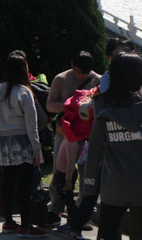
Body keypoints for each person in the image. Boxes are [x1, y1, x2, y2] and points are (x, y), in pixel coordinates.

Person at [82, 52, 142, 240]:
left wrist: (90, 185)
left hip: (116, 182)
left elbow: (96, 147)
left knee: (108, 229)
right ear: (140, 74)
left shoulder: (102, 104)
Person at [0, 51, 44, 237]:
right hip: (23, 141)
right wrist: (37, 150)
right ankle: (25, 225)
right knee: (25, 186)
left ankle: (9, 222)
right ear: (23, 69)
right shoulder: (25, 92)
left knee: (8, 184)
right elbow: (31, 125)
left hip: (4, 142)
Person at [45, 50, 100, 224]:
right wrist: (70, 105)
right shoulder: (60, 79)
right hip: (65, 132)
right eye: (77, 71)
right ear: (72, 65)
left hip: (88, 134)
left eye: (85, 73)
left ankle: (82, 213)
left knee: (86, 174)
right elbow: (50, 105)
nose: (81, 75)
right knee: (59, 172)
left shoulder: (97, 80)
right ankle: (56, 210)